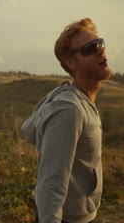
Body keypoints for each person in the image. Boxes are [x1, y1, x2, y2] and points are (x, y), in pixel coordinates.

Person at [20, 17, 111, 223]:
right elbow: (50, 182)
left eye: (100, 43)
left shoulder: (80, 100)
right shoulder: (69, 110)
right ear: (70, 63)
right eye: (89, 48)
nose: (99, 50)